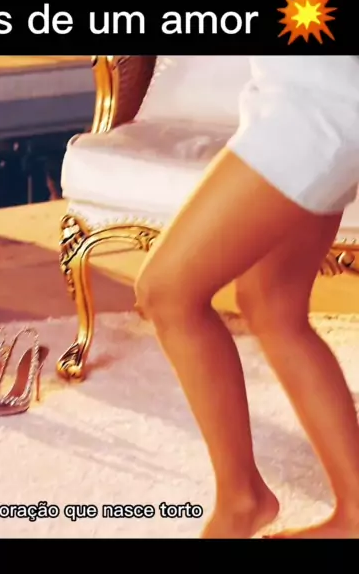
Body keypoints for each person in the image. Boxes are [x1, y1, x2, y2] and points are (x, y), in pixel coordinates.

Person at [134, 56, 359, 539]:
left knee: (167, 292)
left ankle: (242, 497)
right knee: (272, 307)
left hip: (312, 113)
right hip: (318, 102)